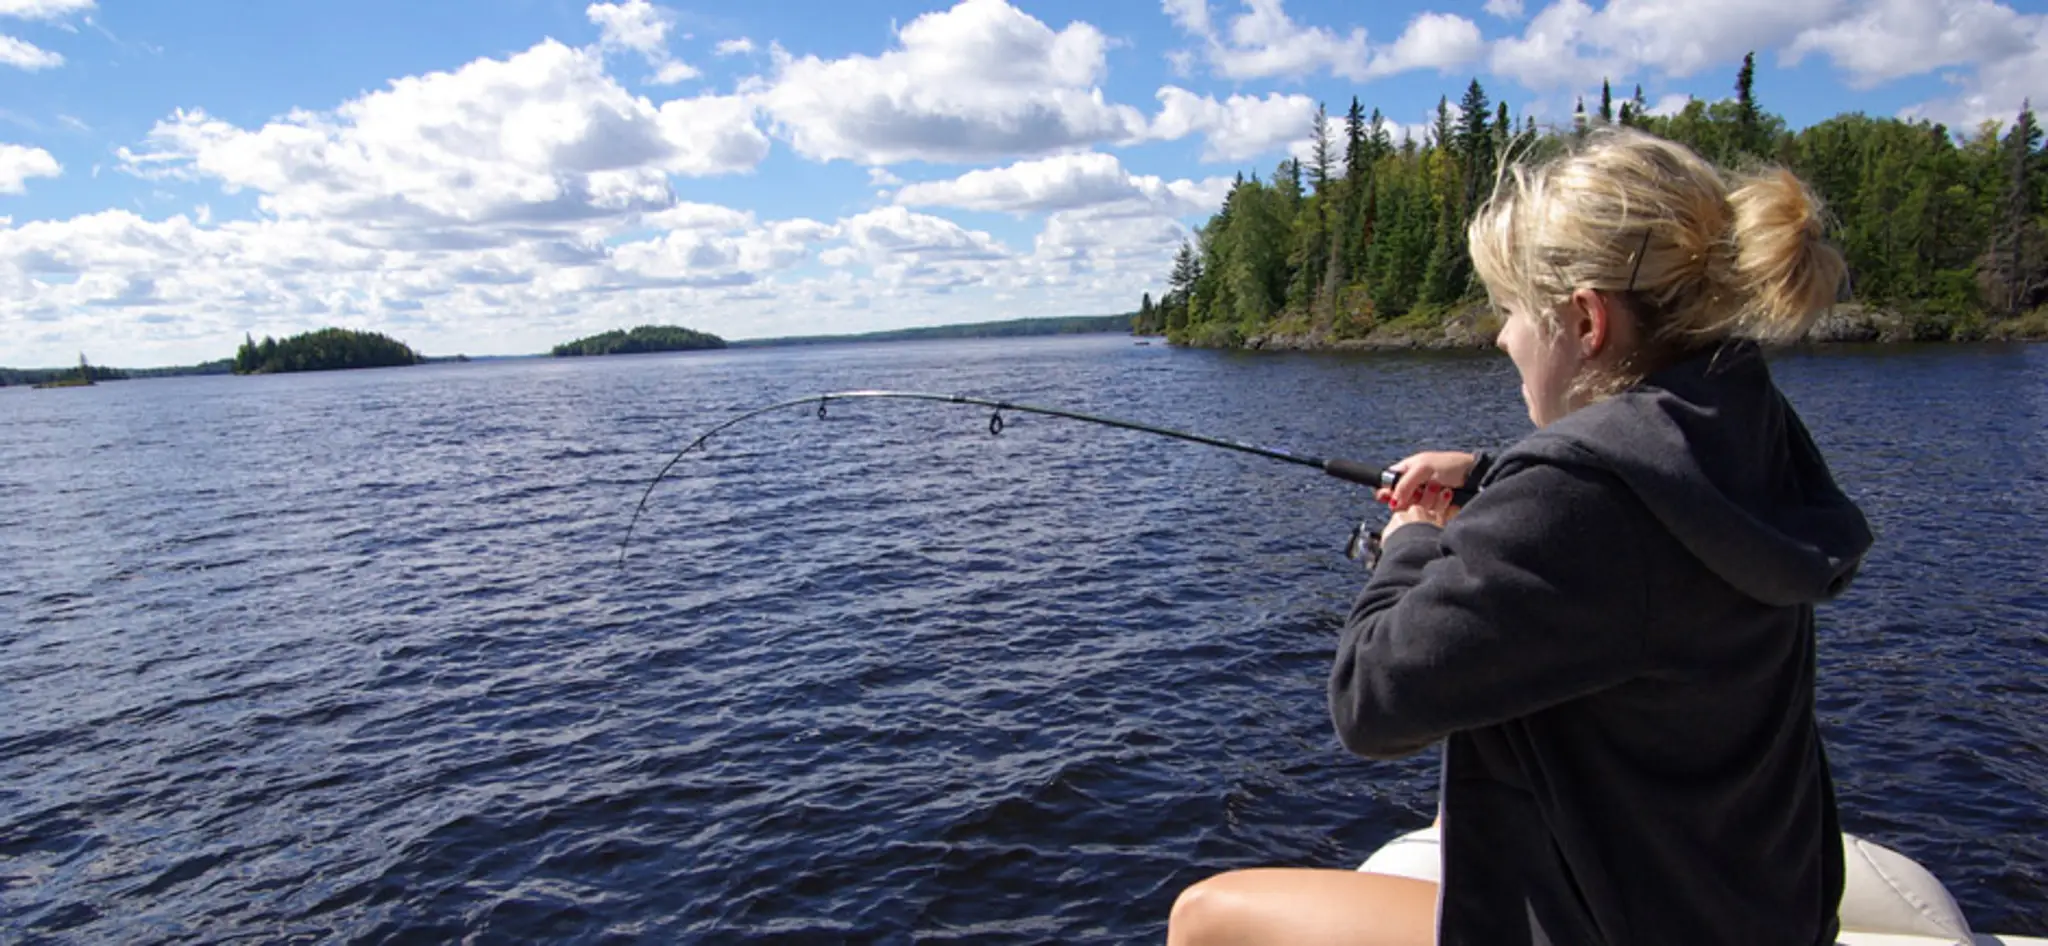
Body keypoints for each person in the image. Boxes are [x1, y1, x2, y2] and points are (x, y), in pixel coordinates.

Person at [1165, 127, 1873, 946]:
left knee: (1208, 916)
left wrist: (1413, 537)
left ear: (1585, 319)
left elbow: (1370, 702)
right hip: (1753, 915)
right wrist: (1489, 472)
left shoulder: (1578, 501)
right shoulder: (1747, 427)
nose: (1502, 339)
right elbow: (1634, 507)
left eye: (1508, 312)